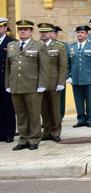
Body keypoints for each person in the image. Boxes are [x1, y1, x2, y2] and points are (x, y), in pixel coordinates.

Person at [6, 20, 49, 151]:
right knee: (20, 114)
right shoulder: (12, 45)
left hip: (32, 86)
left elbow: (44, 67)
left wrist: (42, 84)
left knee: (34, 114)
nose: (22, 31)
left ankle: (34, 138)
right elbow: (9, 67)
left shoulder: (39, 45)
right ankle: (23, 138)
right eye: (20, 29)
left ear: (31, 32)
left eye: (25, 29)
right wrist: (8, 84)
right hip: (16, 86)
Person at [38, 22, 66, 142]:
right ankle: (46, 131)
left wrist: (61, 82)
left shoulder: (59, 46)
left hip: (54, 82)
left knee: (55, 109)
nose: (43, 34)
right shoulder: (37, 46)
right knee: (43, 109)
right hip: (40, 83)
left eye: (46, 32)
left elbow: (63, 66)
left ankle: (55, 131)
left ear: (51, 33)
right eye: (41, 32)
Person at [67, 25, 91, 128]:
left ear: (86, 35)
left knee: (90, 100)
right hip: (75, 78)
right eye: (78, 32)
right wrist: (68, 76)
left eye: (82, 32)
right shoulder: (71, 47)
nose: (80, 34)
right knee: (78, 100)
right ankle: (81, 119)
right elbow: (68, 63)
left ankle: (90, 119)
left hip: (89, 78)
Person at [0, 18, 16, 143]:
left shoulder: (12, 43)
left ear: (5, 28)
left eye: (1, 27)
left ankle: (10, 133)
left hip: (6, 80)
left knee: (8, 107)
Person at [50, 26, 66, 121]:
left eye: (52, 33)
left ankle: (59, 116)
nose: (50, 34)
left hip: (59, 76)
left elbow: (65, 62)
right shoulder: (41, 45)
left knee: (60, 99)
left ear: (56, 34)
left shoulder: (62, 45)